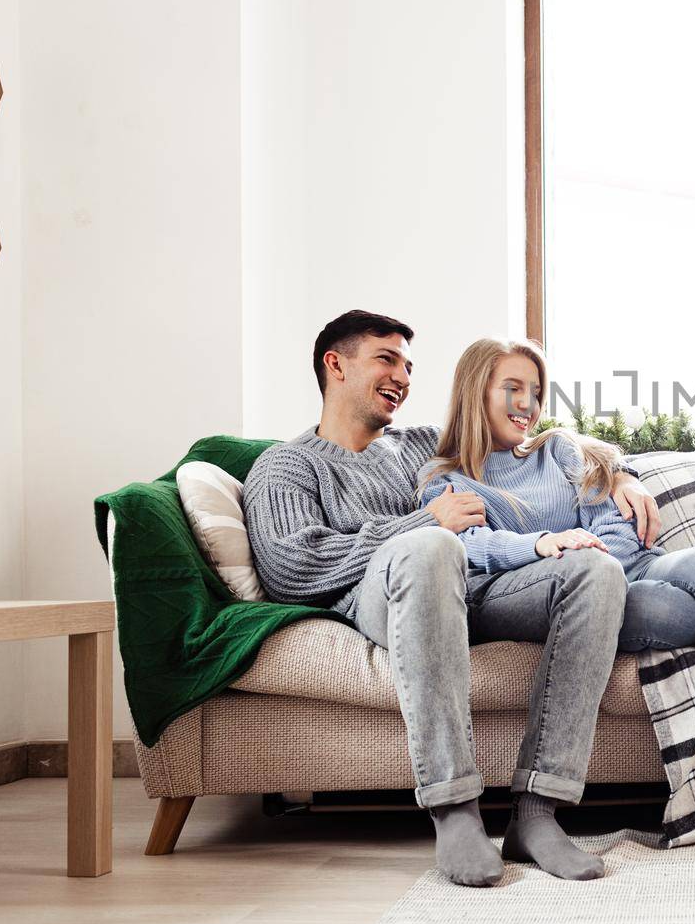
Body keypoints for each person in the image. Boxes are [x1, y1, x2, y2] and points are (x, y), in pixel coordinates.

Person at [243, 311, 662, 887]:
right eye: (386, 359)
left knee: (594, 568)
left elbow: (537, 442)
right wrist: (422, 523)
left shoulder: (421, 446)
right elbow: (292, 567)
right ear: (335, 365)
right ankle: (454, 807)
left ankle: (539, 812)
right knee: (431, 548)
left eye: (409, 366)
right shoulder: (288, 464)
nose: (403, 377)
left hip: (474, 596)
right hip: (379, 601)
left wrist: (621, 475)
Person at [418, 337, 695, 849]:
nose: (528, 404)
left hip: (629, 570)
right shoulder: (447, 481)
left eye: (536, 392)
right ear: (475, 391)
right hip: (565, 597)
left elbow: (610, 520)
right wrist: (545, 544)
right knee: (672, 605)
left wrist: (602, 562)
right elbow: (472, 546)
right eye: (513, 388)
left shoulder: (558, 450)